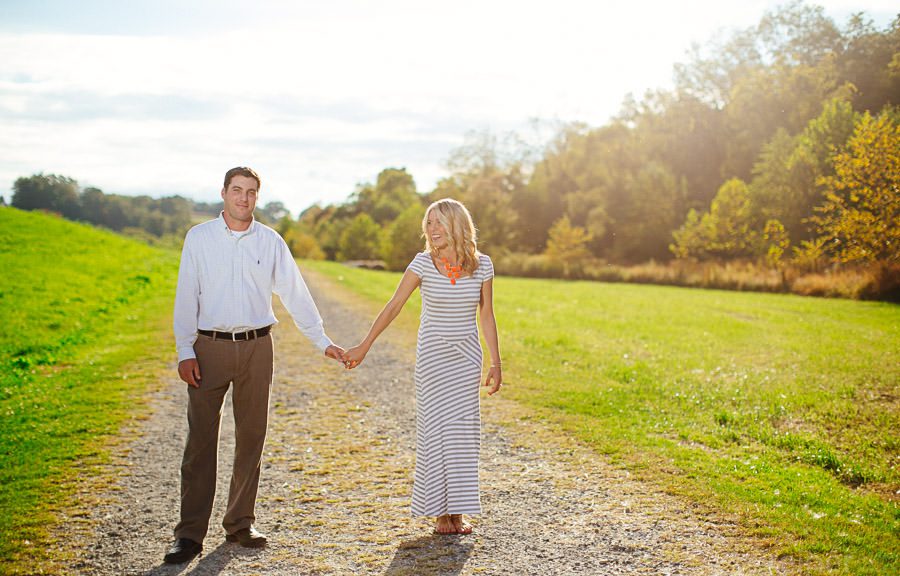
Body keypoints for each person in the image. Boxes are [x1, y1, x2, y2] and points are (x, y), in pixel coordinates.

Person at [165, 167, 344, 564]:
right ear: (224, 193)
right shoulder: (199, 238)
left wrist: (321, 340)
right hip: (208, 347)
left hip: (257, 347)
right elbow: (186, 294)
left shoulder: (270, 241)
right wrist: (184, 350)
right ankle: (189, 535)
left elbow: (295, 293)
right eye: (237, 190)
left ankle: (240, 523)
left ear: (256, 197)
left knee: (251, 437)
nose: (243, 198)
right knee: (200, 443)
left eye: (250, 192)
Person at [342, 198, 502, 535]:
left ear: (457, 225)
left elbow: (486, 315)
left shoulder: (483, 265)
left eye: (439, 222)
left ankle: (458, 510)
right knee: (435, 430)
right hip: (433, 358)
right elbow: (394, 305)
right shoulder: (423, 263)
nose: (432, 229)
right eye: (428, 223)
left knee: (462, 433)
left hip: (466, 359)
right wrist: (365, 345)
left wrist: (496, 361)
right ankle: (440, 512)